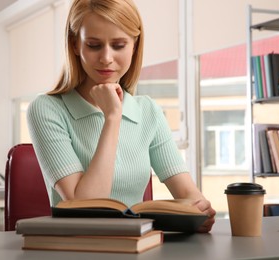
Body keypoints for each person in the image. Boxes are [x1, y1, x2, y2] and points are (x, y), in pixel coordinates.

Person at [27, 0, 216, 233]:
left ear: (134, 46)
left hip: (138, 245)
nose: (106, 58)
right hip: (76, 247)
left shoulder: (148, 111)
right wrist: (113, 117)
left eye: (118, 45)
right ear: (75, 45)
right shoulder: (46, 109)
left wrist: (200, 212)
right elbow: (84, 209)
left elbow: (188, 194)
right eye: (94, 45)